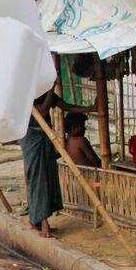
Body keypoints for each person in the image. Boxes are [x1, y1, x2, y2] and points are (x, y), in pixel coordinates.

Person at [20, 58, 96, 238]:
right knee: (38, 178)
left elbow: (68, 107)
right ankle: (42, 221)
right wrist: (52, 87)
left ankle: (37, 220)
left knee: (49, 175)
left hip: (45, 137)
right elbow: (43, 112)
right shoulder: (30, 94)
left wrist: (91, 108)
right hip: (33, 137)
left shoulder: (47, 94)